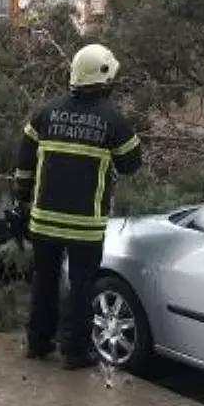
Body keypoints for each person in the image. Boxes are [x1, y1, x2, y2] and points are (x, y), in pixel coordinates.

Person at [10, 44, 143, 370]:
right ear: (105, 76)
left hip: (43, 221)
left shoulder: (45, 113)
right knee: (82, 287)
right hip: (86, 224)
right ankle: (74, 352)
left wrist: (22, 199)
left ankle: (38, 344)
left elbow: (23, 164)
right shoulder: (113, 120)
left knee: (44, 282)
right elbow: (131, 164)